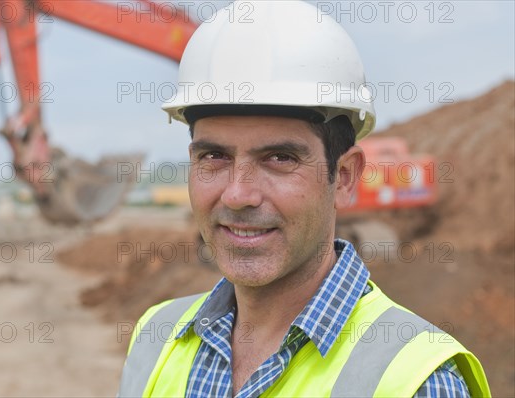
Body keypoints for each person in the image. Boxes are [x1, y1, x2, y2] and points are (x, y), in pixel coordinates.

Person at [117, 1, 490, 397]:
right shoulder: (157, 337)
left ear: (344, 178)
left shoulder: (417, 381)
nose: (239, 194)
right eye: (214, 156)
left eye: (280, 158)